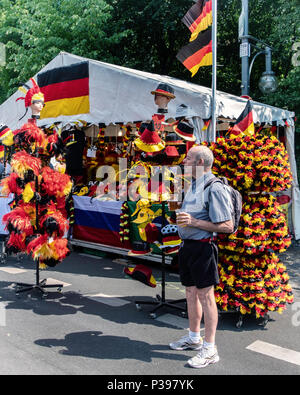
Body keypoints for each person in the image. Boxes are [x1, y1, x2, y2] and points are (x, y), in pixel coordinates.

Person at [169, 145, 233, 369]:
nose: (184, 161)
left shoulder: (214, 188)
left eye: (188, 159)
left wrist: (194, 222)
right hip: (188, 246)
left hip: (203, 248)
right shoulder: (194, 185)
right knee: (190, 292)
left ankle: (210, 349)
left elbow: (227, 225)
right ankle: (194, 338)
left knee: (206, 296)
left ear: (200, 163)